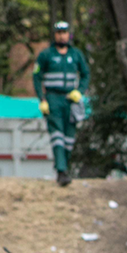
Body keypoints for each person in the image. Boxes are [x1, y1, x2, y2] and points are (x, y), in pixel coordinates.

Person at [33, 21, 89, 187]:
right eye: (59, 32)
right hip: (53, 99)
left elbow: (86, 74)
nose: (62, 35)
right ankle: (62, 172)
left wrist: (80, 91)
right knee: (57, 136)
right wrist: (42, 99)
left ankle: (63, 168)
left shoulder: (76, 54)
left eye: (64, 32)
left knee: (69, 139)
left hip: (71, 100)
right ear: (55, 34)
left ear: (68, 34)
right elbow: (36, 77)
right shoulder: (46, 55)